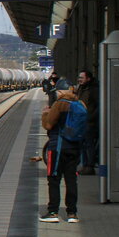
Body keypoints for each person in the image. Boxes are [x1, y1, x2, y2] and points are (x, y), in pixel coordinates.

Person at [40, 87, 83, 223]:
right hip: (74, 147)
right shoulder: (80, 104)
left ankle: (53, 212)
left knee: (54, 179)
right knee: (71, 180)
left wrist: (45, 114)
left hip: (57, 148)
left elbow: (48, 125)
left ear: (62, 92)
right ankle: (72, 213)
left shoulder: (59, 104)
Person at [75, 70, 98, 174]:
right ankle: (85, 165)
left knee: (89, 144)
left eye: (82, 78)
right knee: (82, 144)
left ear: (88, 79)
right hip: (81, 121)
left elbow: (98, 106)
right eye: (79, 77)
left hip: (89, 122)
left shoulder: (93, 90)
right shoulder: (81, 88)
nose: (79, 79)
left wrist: (91, 117)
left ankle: (89, 166)